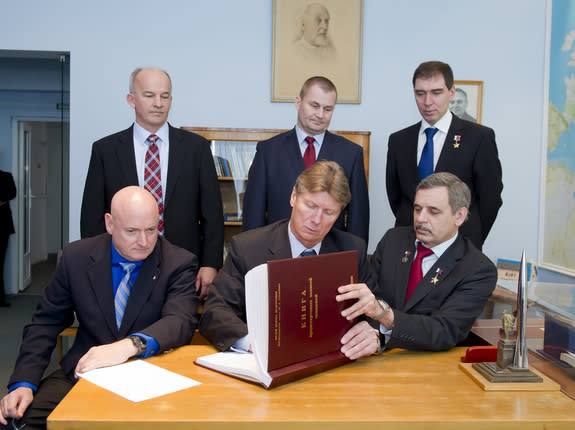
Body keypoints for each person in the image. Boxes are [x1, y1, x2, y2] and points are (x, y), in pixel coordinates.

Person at [0, 186, 199, 429]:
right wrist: (23, 382)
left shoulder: (178, 262)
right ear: (109, 223)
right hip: (84, 371)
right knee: (18, 422)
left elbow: (180, 321)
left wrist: (130, 346)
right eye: (131, 231)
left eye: (151, 229)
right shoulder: (77, 257)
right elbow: (46, 322)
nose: (144, 241)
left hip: (151, 376)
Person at [200, 161, 378, 359]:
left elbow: (376, 310)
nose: (316, 220)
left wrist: (374, 334)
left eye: (329, 212)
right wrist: (256, 346)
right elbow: (215, 312)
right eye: (310, 206)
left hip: (332, 363)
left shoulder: (352, 250)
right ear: (294, 196)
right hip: (262, 363)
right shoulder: (248, 248)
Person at [80, 67, 223, 299]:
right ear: (131, 99)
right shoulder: (105, 151)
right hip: (122, 265)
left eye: (164, 96)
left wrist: (210, 264)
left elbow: (213, 214)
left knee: (177, 329)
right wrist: (97, 265)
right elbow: (92, 217)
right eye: (149, 95)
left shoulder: (196, 149)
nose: (158, 103)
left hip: (182, 265)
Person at [337, 172, 497, 352]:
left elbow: (444, 331)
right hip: (374, 357)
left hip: (432, 367)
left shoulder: (477, 269)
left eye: (433, 211)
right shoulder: (393, 241)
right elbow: (371, 296)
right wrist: (376, 333)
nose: (421, 218)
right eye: (417, 209)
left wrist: (385, 317)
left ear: (459, 216)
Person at [386, 61, 502, 250]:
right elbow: (397, 198)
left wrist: (470, 238)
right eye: (420, 93)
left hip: (460, 246)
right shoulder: (399, 140)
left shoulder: (479, 137)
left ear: (452, 92)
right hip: (408, 245)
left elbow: (491, 198)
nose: (427, 102)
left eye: (436, 92)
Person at [242, 76, 369, 242]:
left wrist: (353, 262)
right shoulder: (268, 151)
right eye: (314, 105)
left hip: (329, 256)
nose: (320, 115)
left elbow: (358, 222)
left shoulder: (351, 154)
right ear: (298, 102)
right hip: (277, 252)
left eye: (328, 109)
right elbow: (253, 215)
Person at [0, 170, 16, 307]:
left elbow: (11, 194)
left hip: (2, 226)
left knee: (0, 263)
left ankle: (0, 298)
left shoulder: (6, 176)